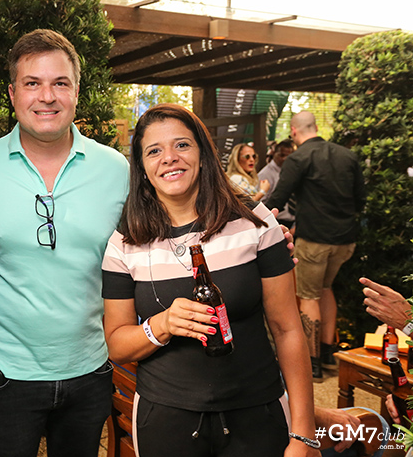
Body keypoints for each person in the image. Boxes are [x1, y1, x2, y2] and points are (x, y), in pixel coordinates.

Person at [102, 104, 318, 457]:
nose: (169, 158)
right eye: (154, 151)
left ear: (203, 154)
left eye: (182, 145)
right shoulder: (125, 243)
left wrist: (304, 433)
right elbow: (116, 345)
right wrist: (162, 325)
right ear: (141, 167)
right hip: (165, 420)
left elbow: (288, 329)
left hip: (258, 411)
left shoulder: (254, 222)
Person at [0, 29, 129, 457]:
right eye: (32, 83)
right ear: (13, 93)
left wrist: (251, 228)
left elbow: (164, 233)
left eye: (60, 83)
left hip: (90, 368)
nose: (47, 96)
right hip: (4, 375)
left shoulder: (116, 170)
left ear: (77, 92)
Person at [267, 111, 365, 380]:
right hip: (345, 240)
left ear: (293, 131)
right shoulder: (347, 156)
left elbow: (278, 199)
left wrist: (249, 218)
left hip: (314, 240)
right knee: (325, 288)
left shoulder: (298, 158)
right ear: (316, 127)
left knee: (309, 296)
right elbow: (360, 199)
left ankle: (313, 363)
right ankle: (329, 354)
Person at [258, 139, 296, 230]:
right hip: (275, 221)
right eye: (282, 155)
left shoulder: (290, 171)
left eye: (288, 156)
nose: (285, 159)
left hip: (293, 222)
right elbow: (261, 203)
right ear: (274, 154)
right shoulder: (265, 174)